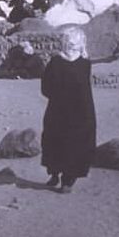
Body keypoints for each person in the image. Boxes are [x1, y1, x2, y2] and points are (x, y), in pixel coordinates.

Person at [41, 27, 96, 194]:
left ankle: (56, 174)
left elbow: (45, 88)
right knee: (73, 144)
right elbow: (85, 89)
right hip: (81, 111)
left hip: (57, 111)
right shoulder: (85, 64)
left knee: (55, 141)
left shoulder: (55, 62)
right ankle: (67, 180)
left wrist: (57, 96)